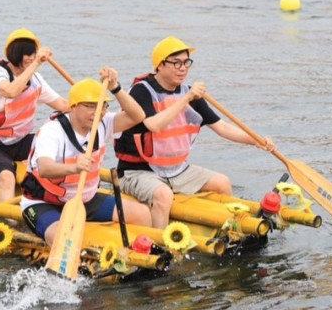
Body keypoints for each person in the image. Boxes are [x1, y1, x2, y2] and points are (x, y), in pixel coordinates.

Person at [115, 36, 275, 229]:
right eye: (176, 63)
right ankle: (158, 246)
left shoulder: (189, 93)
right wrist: (187, 98)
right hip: (138, 172)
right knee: (163, 195)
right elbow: (154, 125)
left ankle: (229, 232)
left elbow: (221, 127)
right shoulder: (141, 91)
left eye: (186, 62)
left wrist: (255, 140)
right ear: (160, 65)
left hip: (177, 170)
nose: (183, 68)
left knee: (222, 183)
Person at [20, 68, 151, 246]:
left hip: (84, 199)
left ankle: (139, 255)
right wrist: (73, 167)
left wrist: (115, 88)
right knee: (61, 238)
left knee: (142, 214)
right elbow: (44, 168)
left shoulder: (103, 123)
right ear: (73, 107)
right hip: (44, 203)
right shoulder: (52, 131)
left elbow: (138, 116)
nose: (98, 113)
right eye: (90, 107)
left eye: (102, 106)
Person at [0, 28, 70, 202]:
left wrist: (89, 104)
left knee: (63, 152)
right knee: (7, 178)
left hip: (19, 142)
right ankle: (10, 221)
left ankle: (62, 197)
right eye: (26, 53)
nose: (31, 57)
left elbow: (62, 104)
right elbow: (10, 91)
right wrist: (36, 64)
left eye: (33, 53)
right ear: (15, 53)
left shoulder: (36, 80)